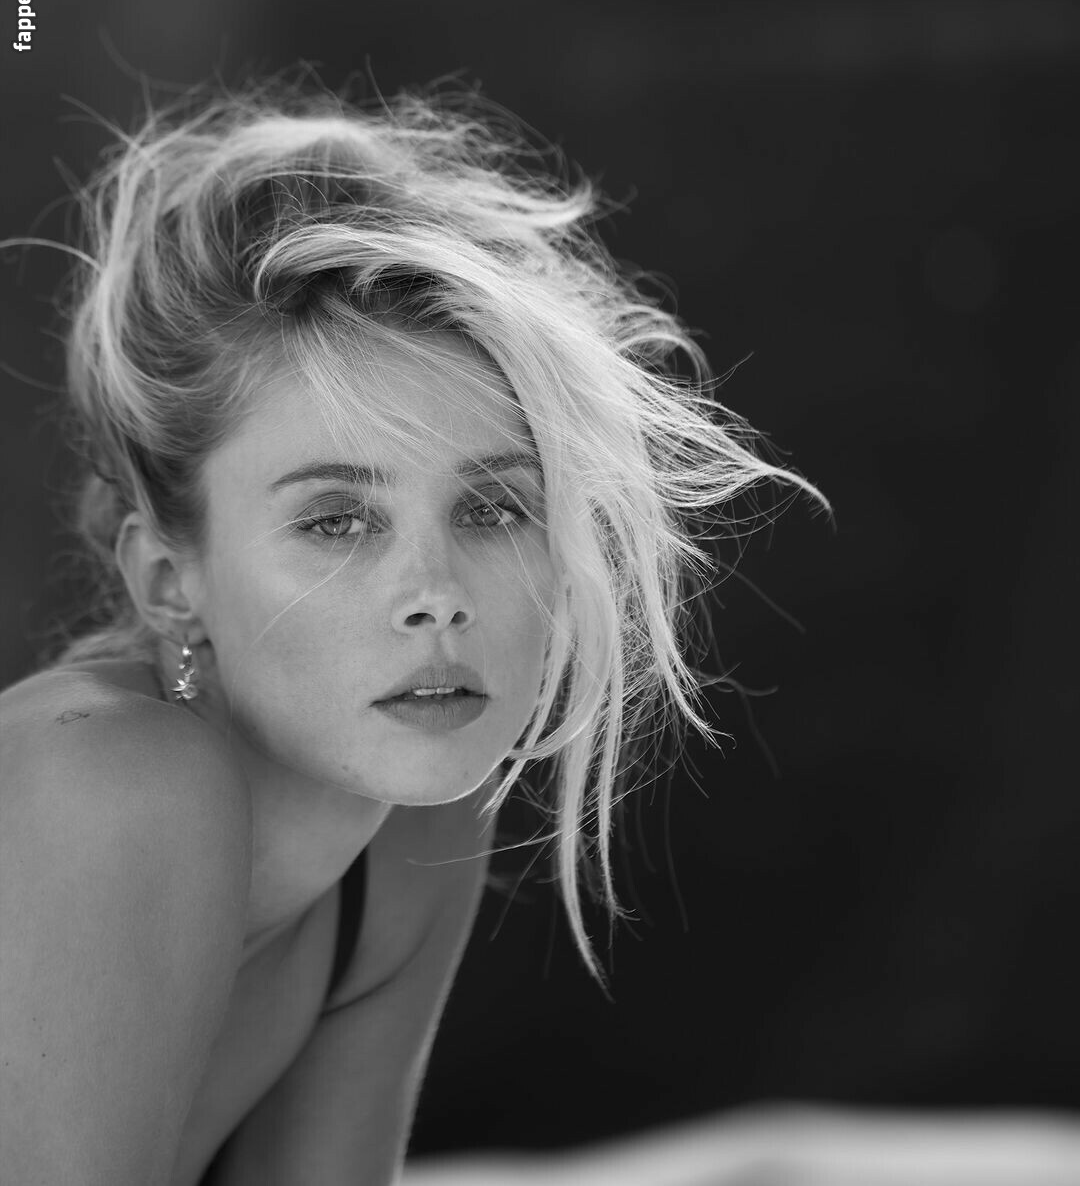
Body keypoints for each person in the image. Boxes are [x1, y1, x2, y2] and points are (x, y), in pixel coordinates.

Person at [0, 77, 826, 1185]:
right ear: (166, 578)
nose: (436, 592)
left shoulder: (409, 834)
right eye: (336, 520)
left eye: (492, 507)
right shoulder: (109, 780)